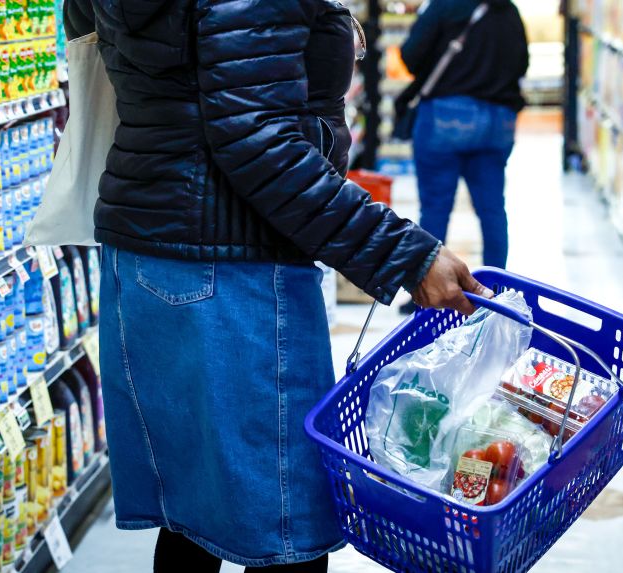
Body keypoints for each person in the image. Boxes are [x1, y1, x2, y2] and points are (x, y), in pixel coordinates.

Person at [63, 1, 492, 571]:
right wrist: (404, 254)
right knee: (289, 533)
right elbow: (259, 141)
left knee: (194, 516)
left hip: (146, 254)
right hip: (234, 267)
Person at [399, 0, 529, 270]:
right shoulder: (507, 10)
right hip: (497, 121)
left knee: (435, 208)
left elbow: (411, 55)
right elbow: (522, 64)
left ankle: (429, 293)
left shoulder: (446, 5)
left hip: (445, 117)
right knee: (492, 209)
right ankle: (496, 289)